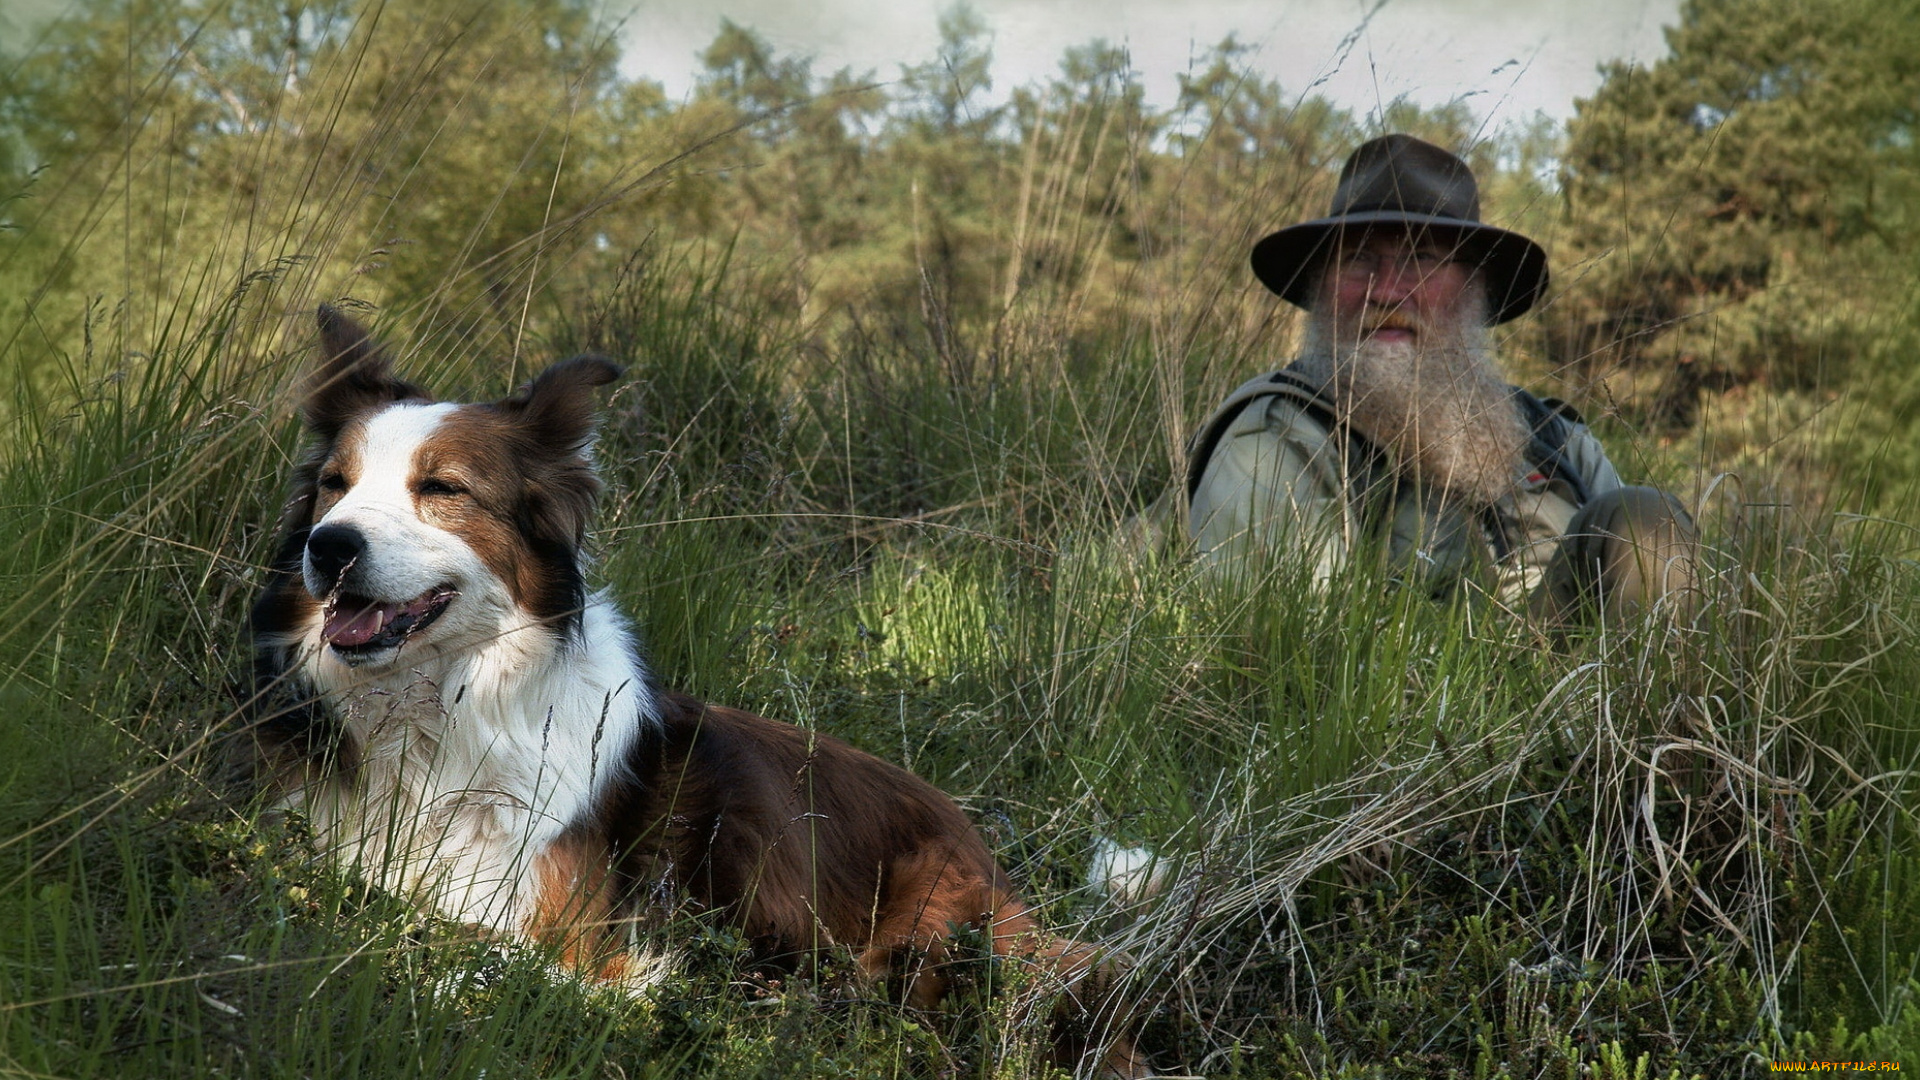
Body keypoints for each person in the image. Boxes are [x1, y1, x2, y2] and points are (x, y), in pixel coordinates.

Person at [1184, 134, 1696, 623]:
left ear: (1475, 287)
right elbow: (1298, 654)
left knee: (1645, 517)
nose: (1387, 291)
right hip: (1400, 684)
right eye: (1357, 259)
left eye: (1422, 259)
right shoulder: (1274, 438)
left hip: (1585, 683)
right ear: (1321, 284)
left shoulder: (1554, 438)